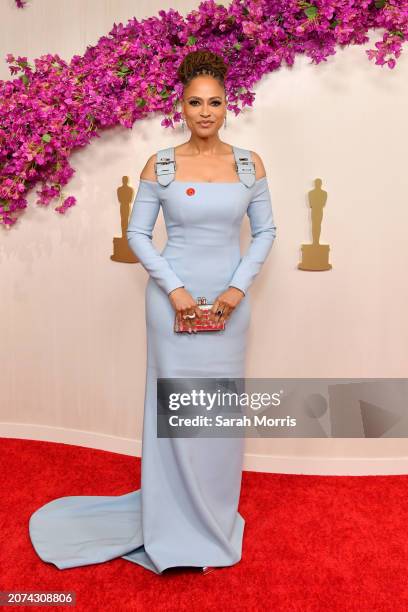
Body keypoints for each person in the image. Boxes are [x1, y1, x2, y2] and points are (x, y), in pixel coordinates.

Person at [28, 50, 277, 575]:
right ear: (180, 106)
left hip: (231, 305)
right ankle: (170, 522)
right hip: (172, 305)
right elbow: (138, 235)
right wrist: (176, 290)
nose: (205, 112)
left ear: (227, 104)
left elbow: (267, 232)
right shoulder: (159, 165)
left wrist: (236, 289)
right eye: (194, 102)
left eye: (214, 101)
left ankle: (211, 516)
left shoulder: (249, 163)